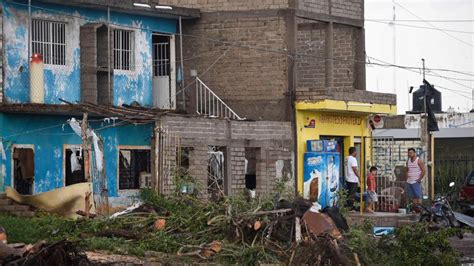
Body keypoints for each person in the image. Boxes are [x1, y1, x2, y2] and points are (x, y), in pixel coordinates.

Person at [406, 148, 426, 212]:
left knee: (418, 196)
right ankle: (415, 210)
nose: (410, 154)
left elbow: (423, 171)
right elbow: (407, 170)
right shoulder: (408, 161)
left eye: (411, 153)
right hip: (409, 181)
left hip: (416, 181)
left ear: (414, 153)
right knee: (413, 197)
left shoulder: (418, 161)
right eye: (409, 153)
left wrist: (419, 179)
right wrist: (407, 179)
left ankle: (420, 210)